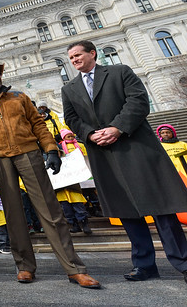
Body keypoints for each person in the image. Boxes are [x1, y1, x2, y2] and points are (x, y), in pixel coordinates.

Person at [62, 40, 187, 283]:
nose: (75, 60)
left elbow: (138, 101)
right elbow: (71, 118)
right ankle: (144, 264)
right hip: (103, 154)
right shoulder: (69, 88)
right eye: (71, 58)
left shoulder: (120, 72)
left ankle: (183, 262)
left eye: (78, 55)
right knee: (126, 211)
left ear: (92, 53)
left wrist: (117, 128)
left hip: (135, 148)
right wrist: (89, 134)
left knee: (161, 209)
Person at [0, 60, 100, 289]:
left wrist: (51, 149)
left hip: (28, 153)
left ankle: (74, 269)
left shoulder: (19, 97)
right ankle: (24, 266)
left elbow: (38, 124)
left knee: (50, 211)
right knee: (13, 214)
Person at [57, 129, 92, 234]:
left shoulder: (78, 146)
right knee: (66, 209)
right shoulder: (59, 148)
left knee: (79, 206)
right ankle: (74, 225)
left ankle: (84, 223)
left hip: (73, 184)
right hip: (61, 187)